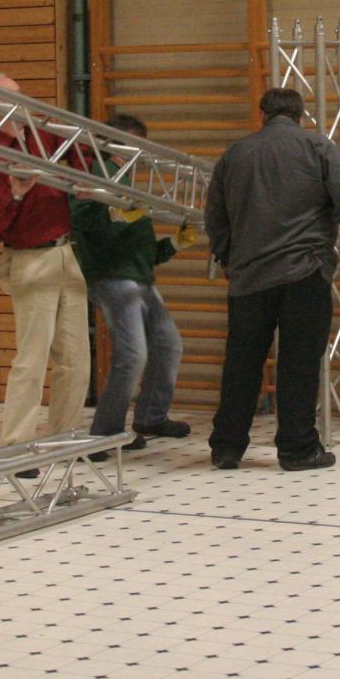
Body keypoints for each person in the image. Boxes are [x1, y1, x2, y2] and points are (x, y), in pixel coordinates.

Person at [204, 87, 340, 472]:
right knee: (299, 363)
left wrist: (228, 257)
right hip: (304, 271)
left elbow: (215, 215)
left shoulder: (235, 154)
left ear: (262, 114)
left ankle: (227, 447)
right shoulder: (319, 148)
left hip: (248, 276)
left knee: (241, 363)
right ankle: (297, 449)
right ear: (300, 115)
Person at [0, 74, 90, 450]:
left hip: (64, 252)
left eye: (19, 96)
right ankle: (16, 445)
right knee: (32, 359)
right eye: (8, 99)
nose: (19, 105)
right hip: (29, 258)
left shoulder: (41, 135)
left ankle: (64, 436)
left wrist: (83, 174)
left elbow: (80, 147)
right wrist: (16, 196)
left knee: (76, 359)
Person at [71, 113, 192, 452]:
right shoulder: (98, 172)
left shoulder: (126, 179)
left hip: (138, 277)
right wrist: (111, 213)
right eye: (135, 142)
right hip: (112, 276)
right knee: (133, 353)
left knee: (168, 345)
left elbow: (141, 250)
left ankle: (151, 416)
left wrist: (173, 245)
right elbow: (79, 217)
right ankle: (105, 432)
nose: (140, 150)